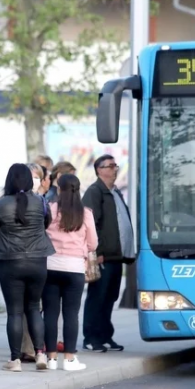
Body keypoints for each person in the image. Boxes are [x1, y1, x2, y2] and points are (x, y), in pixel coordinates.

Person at [0, 163, 55, 372]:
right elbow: (45, 224)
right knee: (34, 308)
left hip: (10, 262)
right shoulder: (41, 202)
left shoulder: (0, 204)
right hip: (38, 261)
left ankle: (15, 360)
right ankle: (40, 353)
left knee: (14, 311)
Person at [82, 154, 135, 352]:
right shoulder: (95, 192)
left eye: (115, 165)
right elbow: (89, 224)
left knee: (109, 298)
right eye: (110, 166)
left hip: (116, 257)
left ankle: (105, 336)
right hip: (103, 256)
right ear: (99, 170)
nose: (115, 169)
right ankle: (91, 337)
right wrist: (98, 252)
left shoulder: (114, 192)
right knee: (97, 297)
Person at [44, 174, 97, 371]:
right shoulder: (85, 213)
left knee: (50, 313)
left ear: (59, 189)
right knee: (71, 314)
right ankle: (69, 359)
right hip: (74, 269)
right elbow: (93, 244)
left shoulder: (50, 210)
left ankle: (50, 359)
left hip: (50, 266)